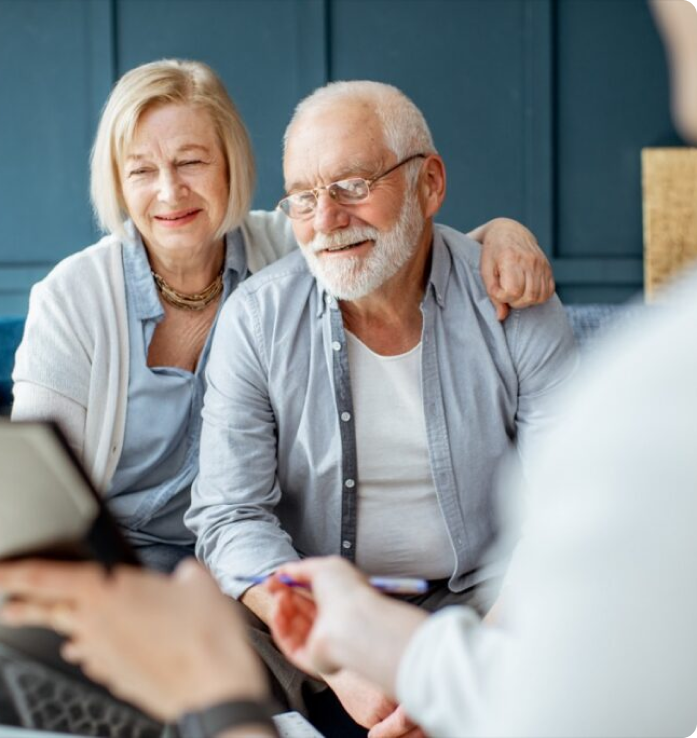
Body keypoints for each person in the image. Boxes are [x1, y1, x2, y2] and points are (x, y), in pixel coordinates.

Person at [10, 59, 553, 573]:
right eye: (142, 170)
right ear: (119, 184)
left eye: (192, 161)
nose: (170, 190)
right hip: (117, 562)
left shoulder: (290, 246)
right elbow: (37, 501)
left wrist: (502, 235)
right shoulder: (74, 297)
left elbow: (391, 236)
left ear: (232, 165)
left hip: (236, 562)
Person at [185, 79, 576, 734]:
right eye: (303, 199)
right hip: (319, 616)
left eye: (353, 186)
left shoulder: (511, 300)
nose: (327, 220)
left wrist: (465, 670)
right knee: (203, 630)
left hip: (484, 608)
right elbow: (231, 514)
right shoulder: (255, 319)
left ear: (429, 183)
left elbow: (565, 504)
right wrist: (341, 661)